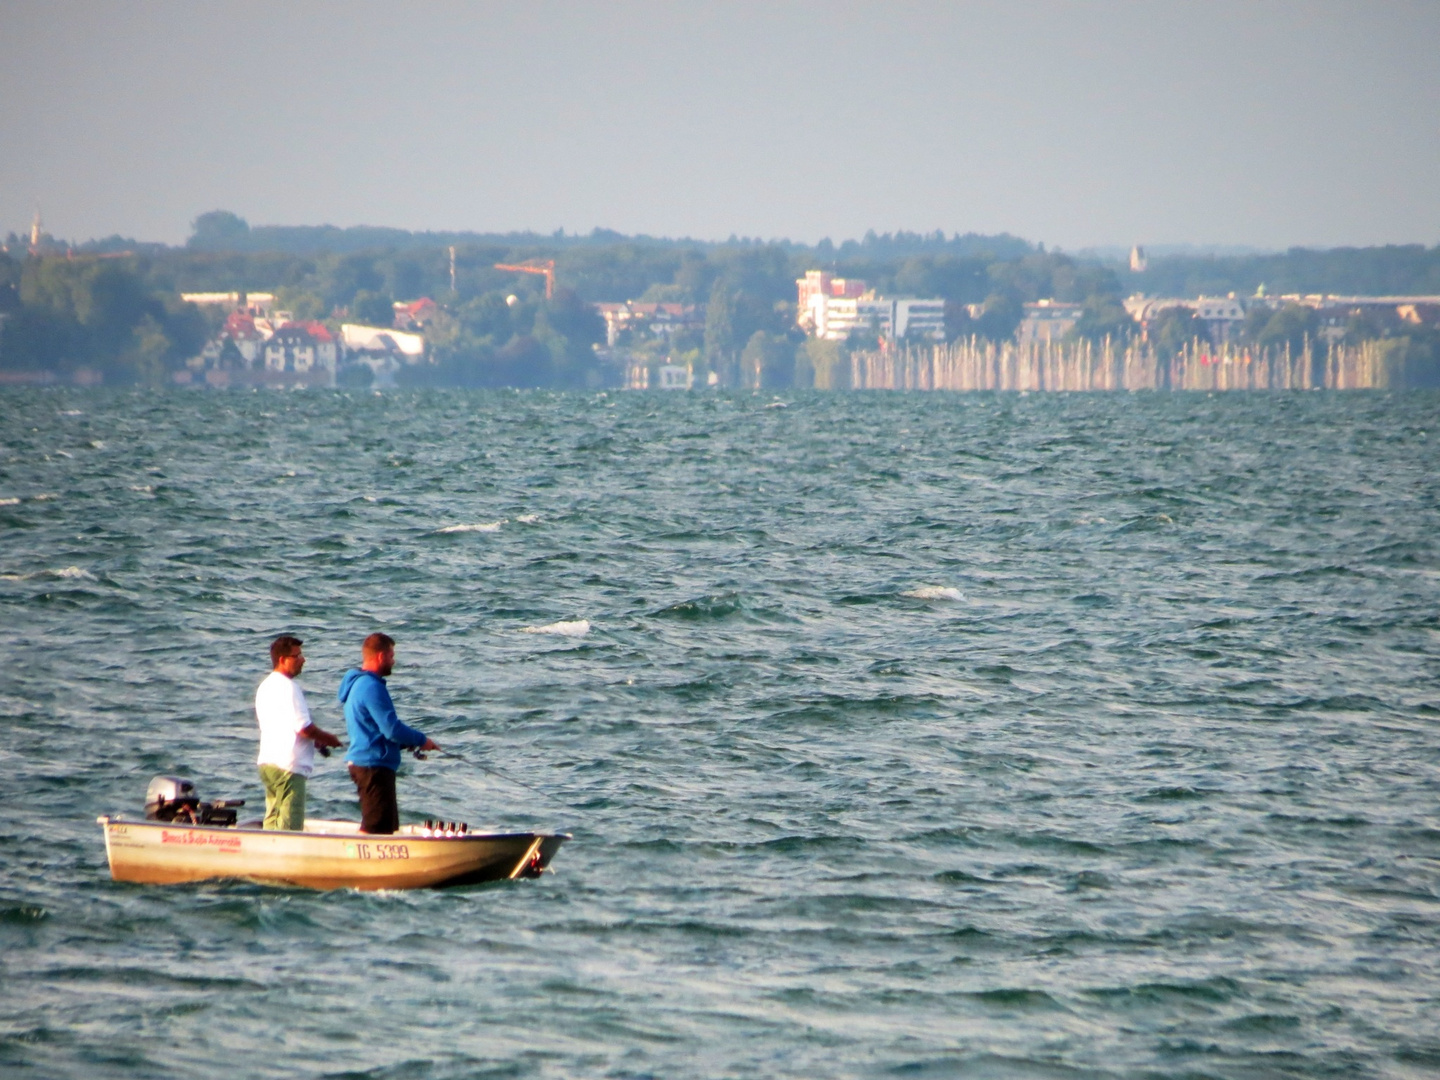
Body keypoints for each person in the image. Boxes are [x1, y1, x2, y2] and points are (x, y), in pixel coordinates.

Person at [338, 632, 439, 834]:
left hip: (371, 763)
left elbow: (374, 729)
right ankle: (358, 863)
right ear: (381, 657)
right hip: (372, 766)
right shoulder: (371, 686)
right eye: (391, 656)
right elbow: (391, 729)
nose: (393, 661)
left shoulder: (360, 684)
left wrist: (403, 743)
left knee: (384, 827)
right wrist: (422, 740)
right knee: (375, 828)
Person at [255, 635, 342, 831]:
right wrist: (330, 739)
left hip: (268, 763)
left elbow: (283, 724)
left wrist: (317, 742)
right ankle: (283, 858)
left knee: (272, 820)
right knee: (288, 826)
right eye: (297, 656)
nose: (303, 660)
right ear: (282, 660)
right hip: (289, 766)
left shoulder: (265, 686)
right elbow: (303, 728)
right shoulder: (289, 687)